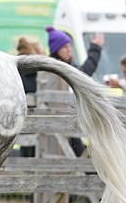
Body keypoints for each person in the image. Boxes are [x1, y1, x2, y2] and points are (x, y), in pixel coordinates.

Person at [45, 27, 105, 157]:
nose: (69, 49)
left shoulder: (69, 65)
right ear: (56, 50)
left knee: (77, 151)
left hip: (69, 117)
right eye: (65, 47)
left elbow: (83, 73)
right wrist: (95, 48)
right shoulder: (53, 68)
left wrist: (95, 48)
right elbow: (84, 73)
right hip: (59, 117)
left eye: (69, 46)